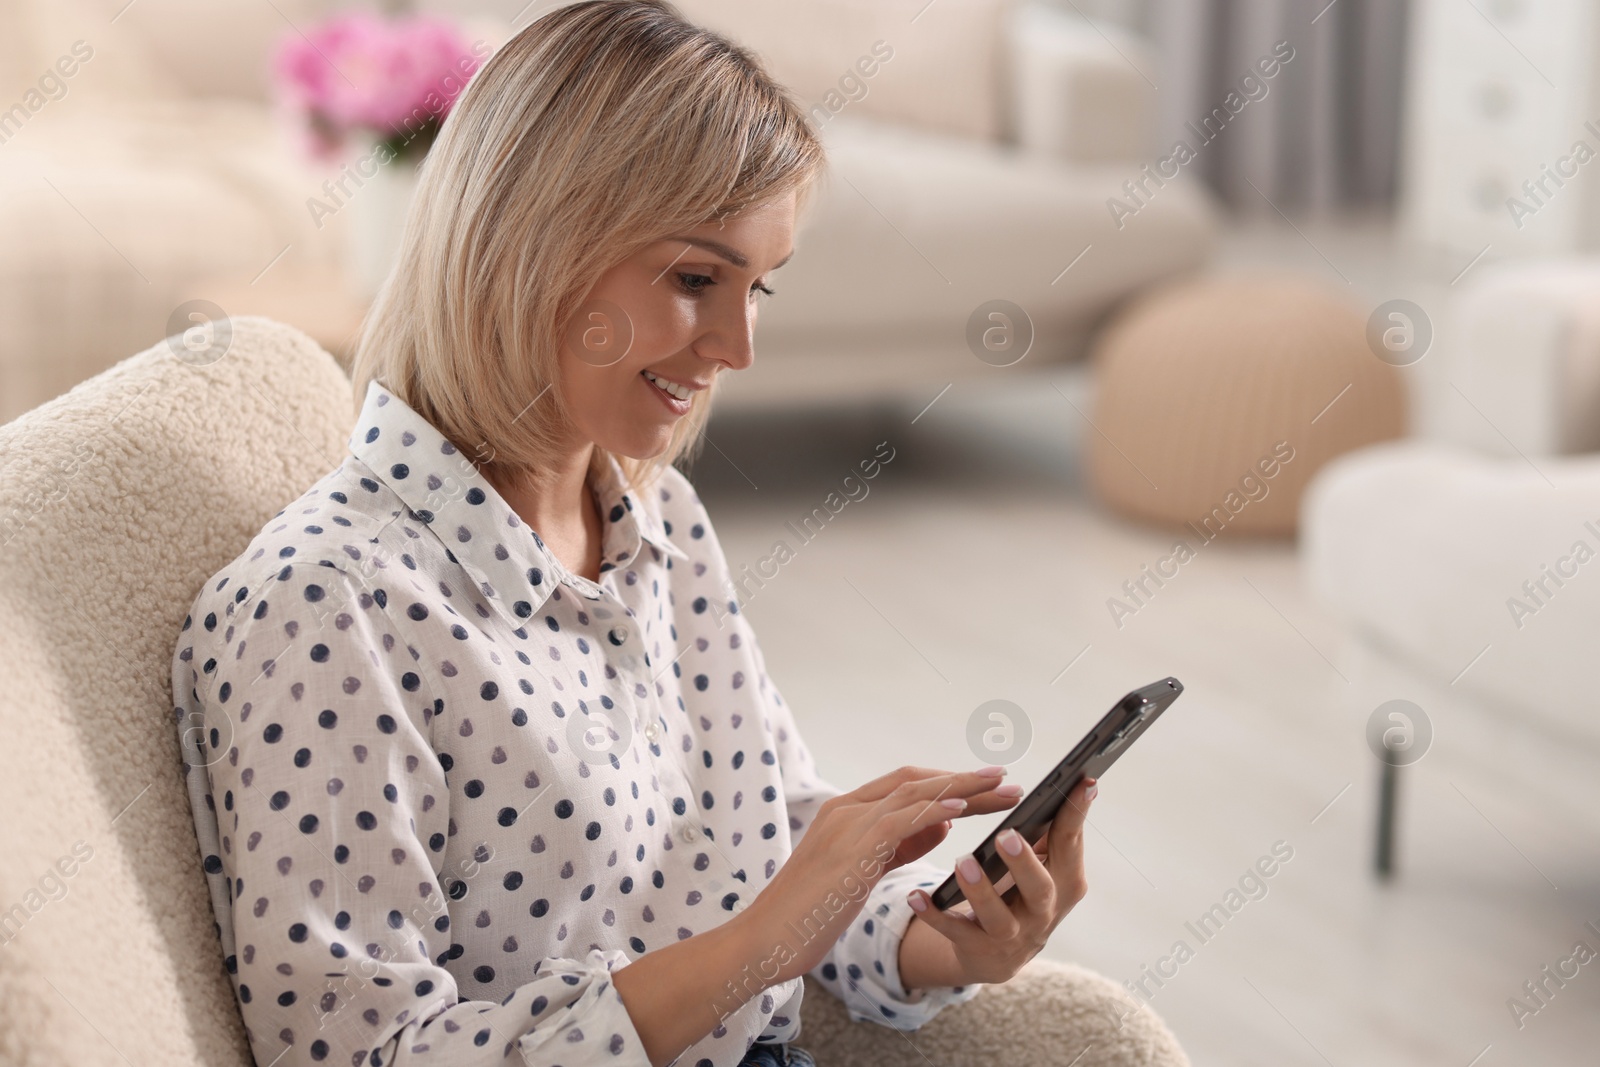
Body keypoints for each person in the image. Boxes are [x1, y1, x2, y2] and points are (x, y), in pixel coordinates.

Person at [172, 3, 1096, 1066]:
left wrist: (948, 938)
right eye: (696, 278)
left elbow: (768, 843)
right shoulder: (325, 610)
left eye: (759, 287)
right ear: (531, 238)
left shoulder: (658, 525)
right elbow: (367, 1053)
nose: (737, 348)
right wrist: (757, 946)